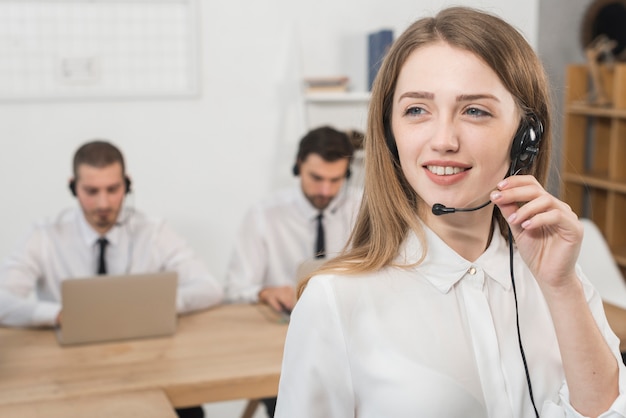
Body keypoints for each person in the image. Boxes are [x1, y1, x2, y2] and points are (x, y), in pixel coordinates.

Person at [275, 7, 626, 418]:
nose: (443, 140)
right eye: (416, 110)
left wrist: (562, 288)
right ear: (390, 134)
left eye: (475, 110)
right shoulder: (334, 300)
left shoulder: (564, 282)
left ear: (526, 137)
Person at [0, 140, 222, 418]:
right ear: (73, 188)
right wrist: (59, 314)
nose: (103, 203)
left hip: (146, 366)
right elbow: (3, 301)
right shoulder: (45, 235)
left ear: (127, 185)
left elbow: (209, 287)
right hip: (68, 373)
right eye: (91, 191)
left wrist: (159, 304)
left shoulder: (152, 231)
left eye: (113, 190)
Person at [224, 125, 361, 417]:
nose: (325, 191)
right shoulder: (264, 215)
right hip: (283, 346)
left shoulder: (365, 208)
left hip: (350, 338)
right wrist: (264, 291)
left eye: (336, 180)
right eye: (317, 178)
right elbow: (235, 288)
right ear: (298, 166)